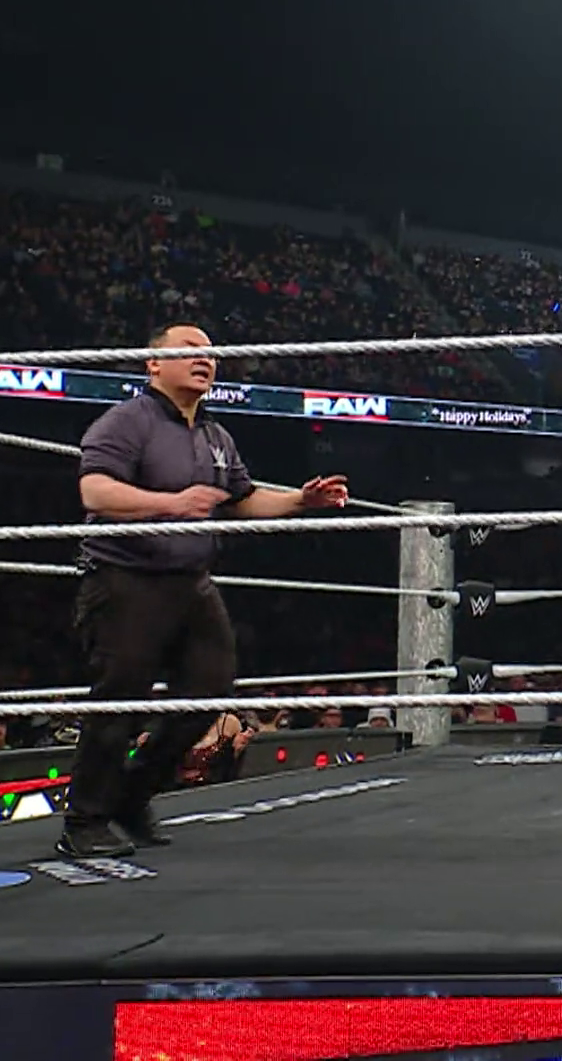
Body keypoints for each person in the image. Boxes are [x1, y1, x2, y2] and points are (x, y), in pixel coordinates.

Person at [58, 323, 350, 859]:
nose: (205, 359)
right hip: (126, 578)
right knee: (120, 700)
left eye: (211, 353)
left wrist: (301, 501)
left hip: (191, 582)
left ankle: (131, 797)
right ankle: (84, 821)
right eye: (190, 349)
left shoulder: (215, 435)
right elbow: (94, 491)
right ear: (153, 363)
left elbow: (242, 499)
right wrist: (169, 504)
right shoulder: (127, 420)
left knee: (211, 690)